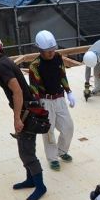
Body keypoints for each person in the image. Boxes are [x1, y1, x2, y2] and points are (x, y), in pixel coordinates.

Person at [0, 31, 46, 200]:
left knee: (27, 153)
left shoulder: (2, 66)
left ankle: (40, 186)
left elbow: (17, 92)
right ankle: (31, 180)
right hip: (27, 110)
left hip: (26, 113)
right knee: (24, 149)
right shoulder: (6, 61)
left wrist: (17, 118)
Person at [28, 30, 75, 171]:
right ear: (40, 50)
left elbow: (62, 75)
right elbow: (34, 87)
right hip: (45, 101)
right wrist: (37, 108)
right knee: (48, 132)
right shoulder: (35, 66)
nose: (51, 52)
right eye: (48, 50)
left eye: (53, 49)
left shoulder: (58, 58)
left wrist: (69, 92)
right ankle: (53, 158)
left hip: (59, 98)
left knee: (68, 127)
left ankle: (62, 151)